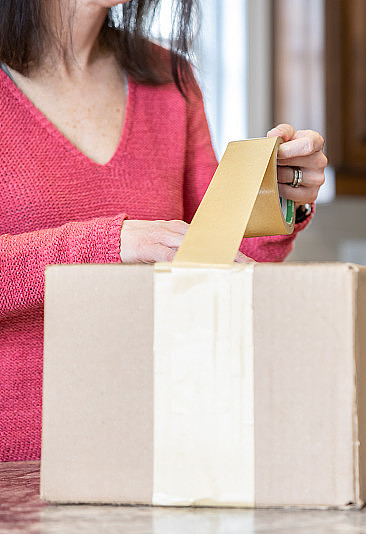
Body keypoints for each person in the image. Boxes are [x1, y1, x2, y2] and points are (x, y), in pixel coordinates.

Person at [0, 0, 327, 462]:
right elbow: (139, 245)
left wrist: (276, 198)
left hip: (160, 451)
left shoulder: (170, 78)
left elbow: (213, 252)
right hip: (13, 467)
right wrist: (111, 244)